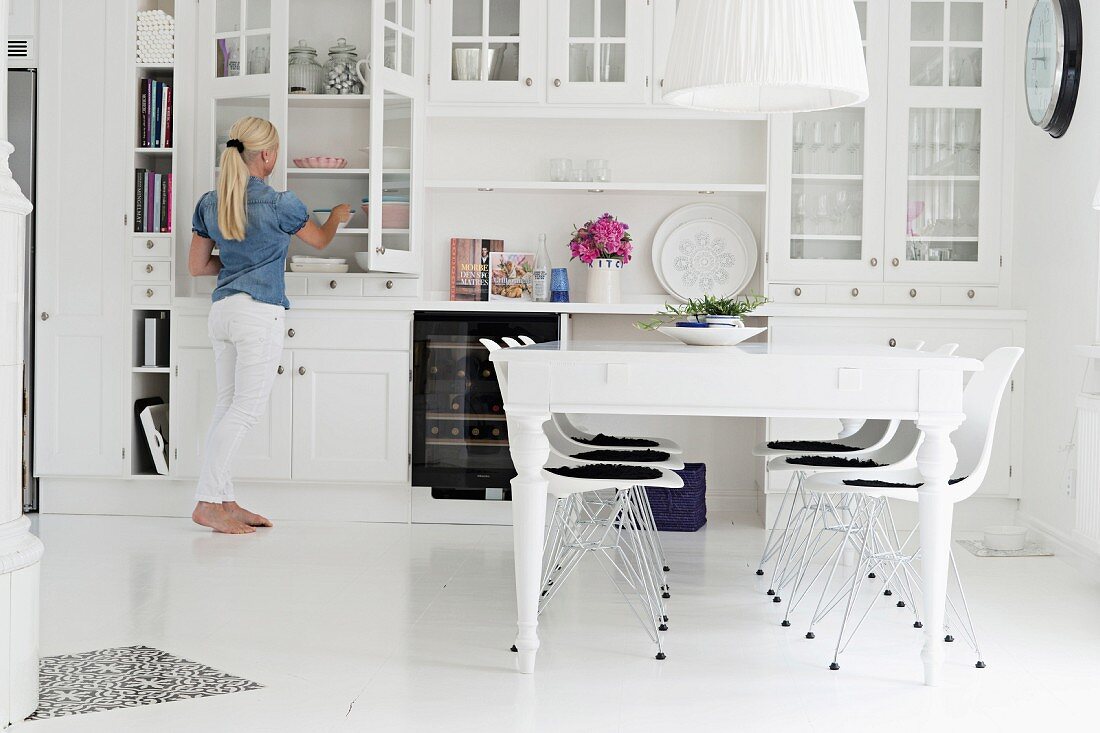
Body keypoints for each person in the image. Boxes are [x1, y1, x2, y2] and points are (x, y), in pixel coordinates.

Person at [188, 116, 351, 534]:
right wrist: (336, 215)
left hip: (223, 312)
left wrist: (240, 263)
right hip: (258, 313)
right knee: (244, 410)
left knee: (226, 406)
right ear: (266, 155)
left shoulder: (210, 202)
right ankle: (207, 502)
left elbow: (197, 266)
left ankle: (223, 499)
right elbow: (320, 241)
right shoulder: (282, 203)